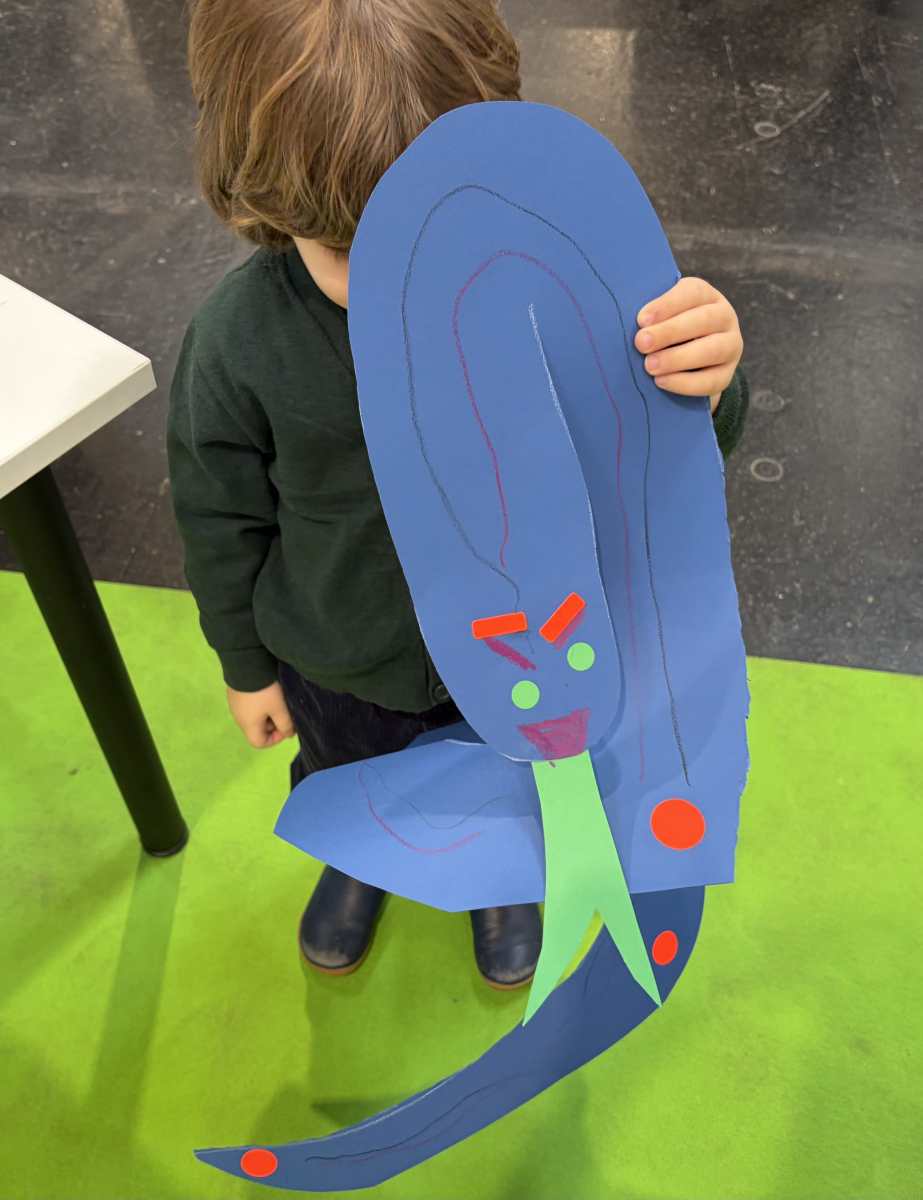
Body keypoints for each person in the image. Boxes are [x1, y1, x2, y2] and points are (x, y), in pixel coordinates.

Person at [168, 0, 749, 989]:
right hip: (341, 662)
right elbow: (217, 516)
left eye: (431, 238)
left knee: (508, 784)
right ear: (267, 203)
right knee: (351, 777)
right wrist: (245, 664)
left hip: (519, 648)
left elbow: (658, 464)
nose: (395, 283)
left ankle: (496, 882)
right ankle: (362, 861)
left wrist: (705, 379)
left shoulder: (551, 302)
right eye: (350, 253)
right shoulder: (239, 343)